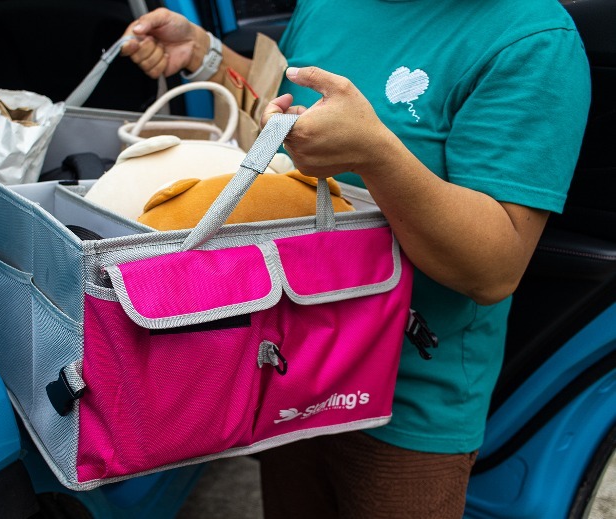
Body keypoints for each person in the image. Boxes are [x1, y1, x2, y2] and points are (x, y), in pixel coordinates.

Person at [121, 2, 591, 517]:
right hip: (286, 356)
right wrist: (207, 57)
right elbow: (281, 119)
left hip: (408, 399)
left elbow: (494, 267)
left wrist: (377, 155)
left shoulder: (532, 39)